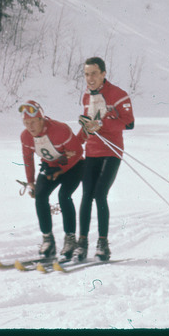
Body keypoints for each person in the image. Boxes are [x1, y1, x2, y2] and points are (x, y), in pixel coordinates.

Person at [75, 57, 134, 262]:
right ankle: (81, 243)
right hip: (92, 151)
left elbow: (129, 123)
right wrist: (74, 144)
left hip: (112, 151)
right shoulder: (86, 97)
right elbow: (87, 127)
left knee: (100, 194)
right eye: (86, 74)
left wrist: (102, 124)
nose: (89, 78)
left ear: (103, 74)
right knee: (86, 196)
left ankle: (103, 244)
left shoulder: (118, 95)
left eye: (93, 73)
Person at [18, 100, 84, 261]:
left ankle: (70, 240)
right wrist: (31, 182)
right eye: (26, 123)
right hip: (50, 167)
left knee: (64, 196)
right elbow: (27, 159)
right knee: (40, 196)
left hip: (74, 166)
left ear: (42, 119)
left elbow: (77, 151)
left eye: (33, 122)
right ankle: (48, 239)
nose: (30, 127)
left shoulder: (60, 129)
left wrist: (61, 169)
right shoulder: (26, 136)